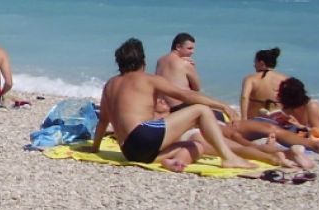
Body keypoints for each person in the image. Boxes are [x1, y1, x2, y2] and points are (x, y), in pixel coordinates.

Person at [93, 38, 253, 171]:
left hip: (130, 151)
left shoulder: (110, 84)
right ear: (142, 61)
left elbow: (103, 121)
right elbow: (186, 95)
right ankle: (229, 157)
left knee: (196, 146)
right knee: (201, 110)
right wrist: (222, 105)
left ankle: (177, 160)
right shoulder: (148, 79)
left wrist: (95, 148)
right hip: (143, 137)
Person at [239, 47, 287, 120]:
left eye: (255, 62)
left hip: (256, 122)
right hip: (278, 122)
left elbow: (244, 98)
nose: (254, 65)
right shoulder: (285, 79)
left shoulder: (251, 78)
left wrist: (244, 118)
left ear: (261, 63)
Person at [155, 32, 200, 105]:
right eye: (189, 48)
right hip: (180, 106)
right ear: (178, 47)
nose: (192, 52)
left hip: (164, 106)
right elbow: (197, 89)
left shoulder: (160, 60)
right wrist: (192, 67)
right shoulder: (185, 63)